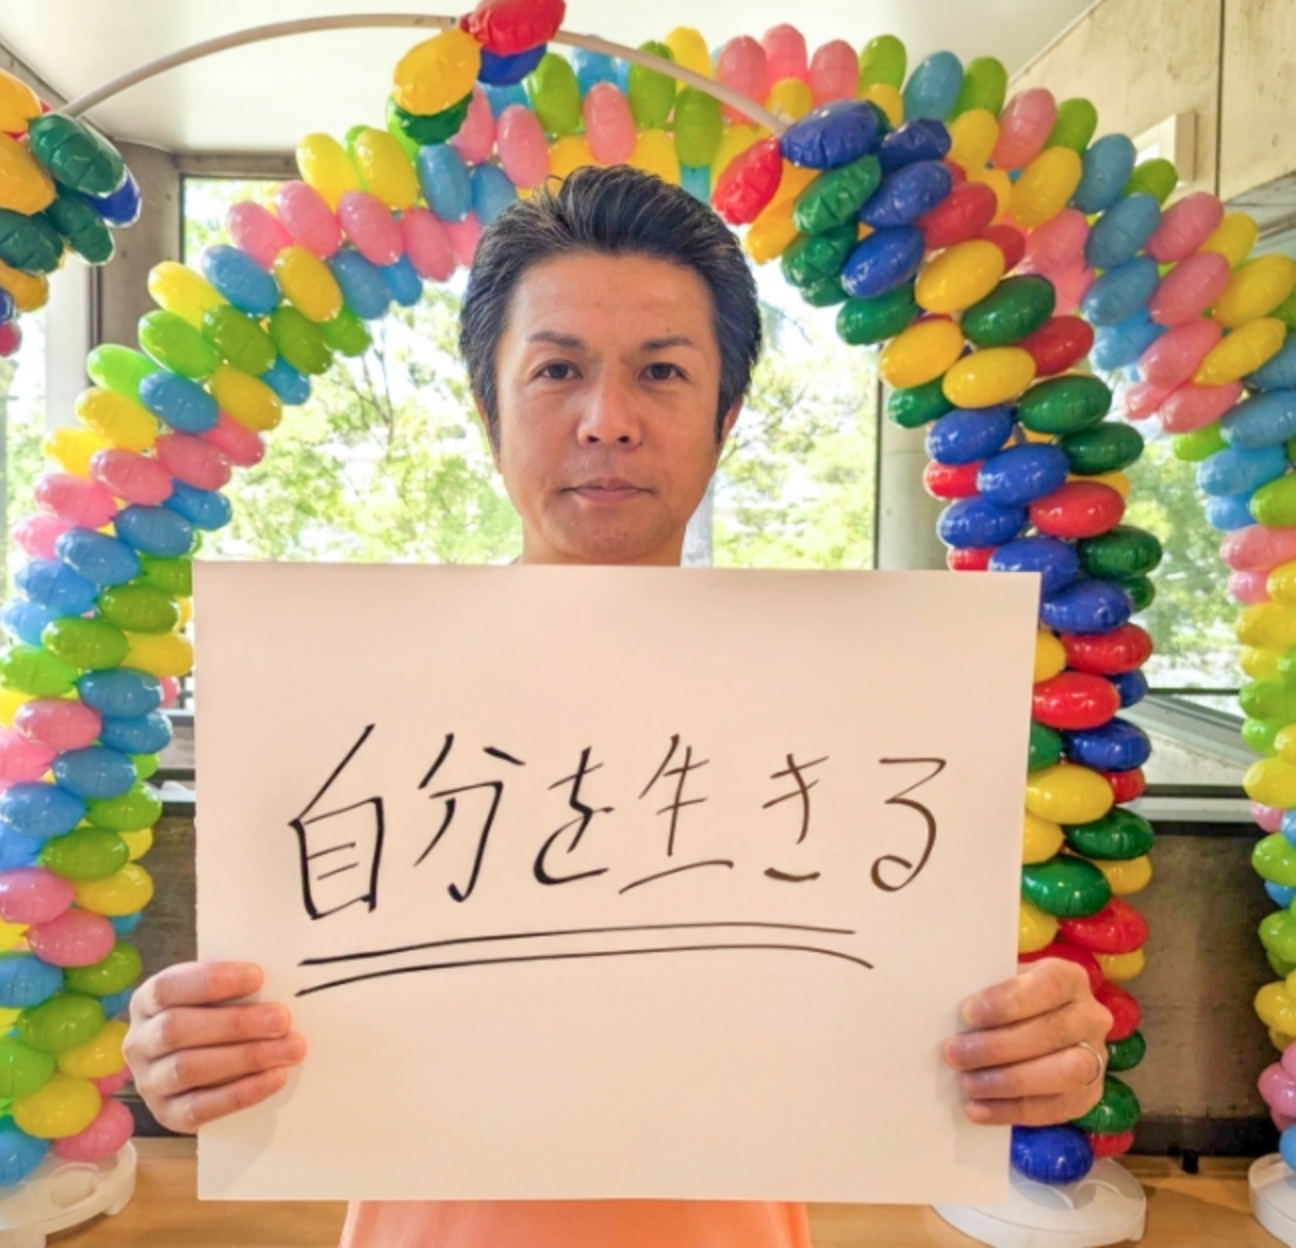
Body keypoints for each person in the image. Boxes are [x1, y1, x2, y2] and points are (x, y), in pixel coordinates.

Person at [123, 166, 1112, 1248]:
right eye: (557, 370)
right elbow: (270, 1012)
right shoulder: (351, 704)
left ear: (725, 417)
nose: (608, 421)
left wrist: (1033, 1048)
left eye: (661, 372)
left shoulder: (850, 711)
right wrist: (192, 1049)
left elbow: (928, 1027)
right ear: (488, 409)